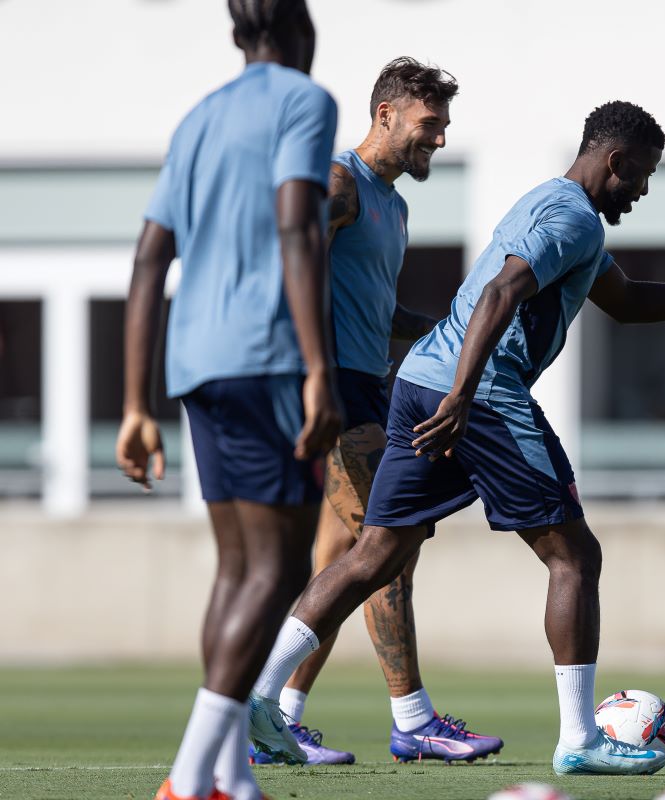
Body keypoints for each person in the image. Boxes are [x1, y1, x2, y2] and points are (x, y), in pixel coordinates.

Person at [246, 100, 665, 775]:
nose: (643, 191)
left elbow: (628, 302)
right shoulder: (571, 216)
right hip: (478, 394)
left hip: (419, 382)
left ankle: (255, 696)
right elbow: (501, 291)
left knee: (376, 552)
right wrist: (463, 395)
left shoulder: (562, 212)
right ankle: (580, 738)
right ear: (616, 161)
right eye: (643, 176)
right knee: (575, 557)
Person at [245, 55, 504, 767]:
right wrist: (306, 378)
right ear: (385, 114)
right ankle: (411, 720)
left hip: (370, 386)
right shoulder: (338, 183)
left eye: (445, 126)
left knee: (346, 555)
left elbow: (377, 310)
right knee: (389, 544)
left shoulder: (394, 203)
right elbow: (286, 262)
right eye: (430, 123)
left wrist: (455, 333)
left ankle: (282, 716)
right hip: (327, 389)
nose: (441, 139)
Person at [117, 1, 342, 798]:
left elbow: (148, 260)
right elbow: (296, 228)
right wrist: (320, 366)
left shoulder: (198, 117)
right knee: (276, 571)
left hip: (195, 366)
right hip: (267, 359)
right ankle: (189, 778)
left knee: (237, 569)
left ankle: (222, 777)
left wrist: (135, 403)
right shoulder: (304, 101)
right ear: (298, 29)